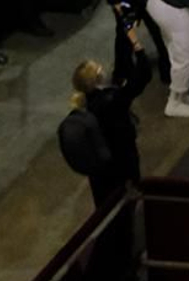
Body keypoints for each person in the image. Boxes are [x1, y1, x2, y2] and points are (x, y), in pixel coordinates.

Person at [57, 56, 142, 209]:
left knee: (106, 207)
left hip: (100, 174)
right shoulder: (109, 103)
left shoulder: (86, 106)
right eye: (99, 68)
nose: (103, 69)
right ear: (96, 79)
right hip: (119, 169)